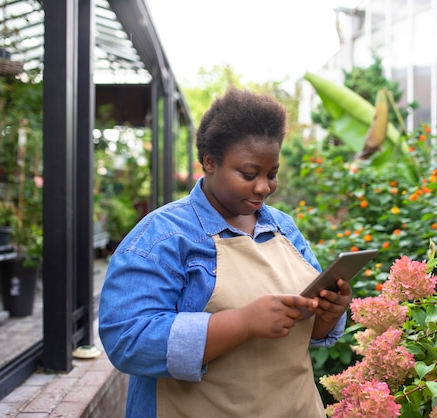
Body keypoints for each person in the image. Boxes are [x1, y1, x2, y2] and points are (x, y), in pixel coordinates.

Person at [98, 87, 352, 418]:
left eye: (271, 174)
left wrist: (328, 314)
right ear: (210, 162)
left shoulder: (284, 229)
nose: (263, 187)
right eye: (249, 174)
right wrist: (242, 323)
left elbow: (310, 332)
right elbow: (127, 340)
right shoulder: (162, 238)